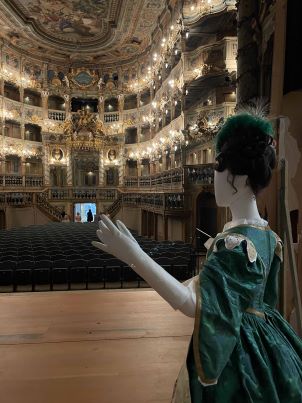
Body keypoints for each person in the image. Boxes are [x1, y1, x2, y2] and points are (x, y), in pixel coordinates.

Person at [92, 111, 302, 402]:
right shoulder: (267, 235)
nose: (211, 176)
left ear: (238, 178)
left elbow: (191, 304)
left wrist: (135, 256)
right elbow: (217, 288)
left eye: (217, 167)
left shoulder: (236, 243)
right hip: (271, 342)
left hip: (240, 354)